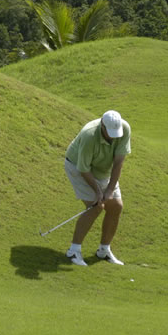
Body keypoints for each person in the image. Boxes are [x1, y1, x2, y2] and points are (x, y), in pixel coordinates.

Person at [63, 110, 131, 266]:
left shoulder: (124, 129)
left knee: (116, 206)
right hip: (77, 166)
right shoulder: (89, 136)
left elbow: (119, 162)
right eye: (110, 133)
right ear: (102, 125)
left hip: (103, 170)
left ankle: (104, 250)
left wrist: (109, 189)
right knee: (96, 206)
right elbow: (83, 168)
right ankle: (73, 251)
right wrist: (98, 192)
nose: (114, 137)